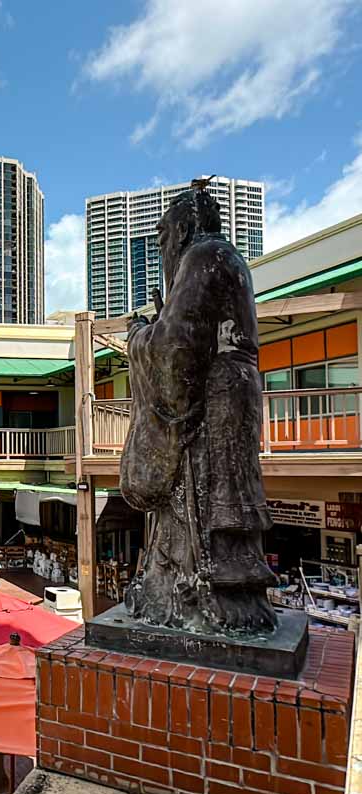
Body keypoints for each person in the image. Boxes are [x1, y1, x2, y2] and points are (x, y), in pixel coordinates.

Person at [121, 184, 276, 635]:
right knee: (216, 509)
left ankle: (200, 599)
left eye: (164, 237)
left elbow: (174, 350)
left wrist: (138, 337)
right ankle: (211, 594)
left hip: (213, 407)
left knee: (203, 511)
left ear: (185, 228)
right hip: (230, 398)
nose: (163, 248)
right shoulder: (228, 260)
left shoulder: (204, 256)